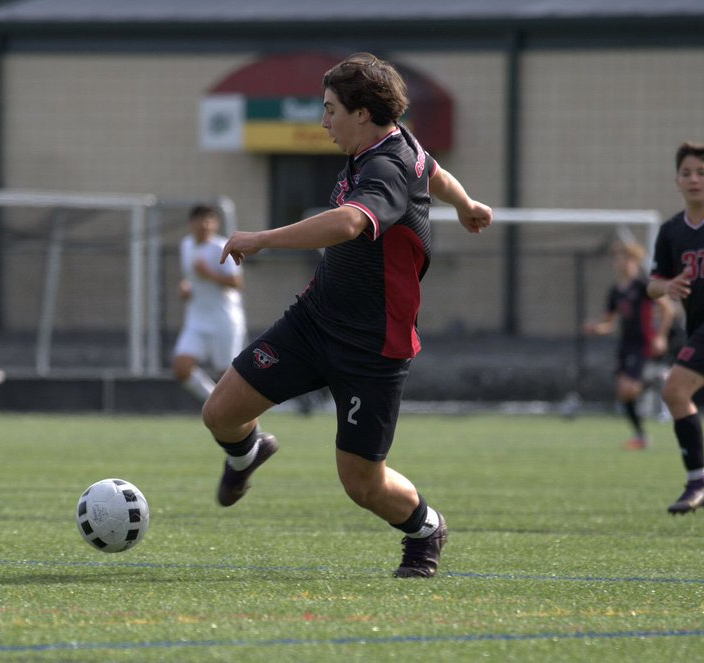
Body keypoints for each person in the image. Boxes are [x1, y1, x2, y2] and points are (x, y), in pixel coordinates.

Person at [203, 53, 492, 578]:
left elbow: (347, 224)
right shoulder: (394, 145)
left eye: (330, 109)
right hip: (315, 321)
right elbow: (435, 171)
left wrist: (262, 238)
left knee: (361, 483)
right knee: (220, 413)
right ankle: (247, 453)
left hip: (373, 347)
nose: (323, 122)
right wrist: (466, 203)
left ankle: (426, 529)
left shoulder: (386, 166)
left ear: (362, 113)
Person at [646, 141, 704, 515]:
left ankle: (697, 483)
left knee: (674, 389)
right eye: (686, 173)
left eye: (702, 172)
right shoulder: (672, 231)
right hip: (699, 328)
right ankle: (699, 483)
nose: (694, 179)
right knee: (676, 393)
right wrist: (667, 286)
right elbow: (652, 285)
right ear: (677, 181)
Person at [582, 240, 674, 450]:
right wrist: (596, 328)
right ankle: (640, 436)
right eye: (619, 259)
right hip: (625, 345)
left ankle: (656, 380)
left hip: (642, 343)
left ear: (636, 262)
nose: (622, 263)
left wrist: (660, 336)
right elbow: (608, 323)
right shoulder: (615, 291)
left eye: (627, 259)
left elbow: (667, 309)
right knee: (623, 393)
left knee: (628, 388)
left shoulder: (642, 285)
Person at [173, 204, 247, 402]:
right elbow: (190, 278)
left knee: (227, 377)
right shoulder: (186, 245)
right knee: (181, 367)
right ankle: (215, 403)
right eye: (200, 220)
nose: (205, 225)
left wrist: (209, 274)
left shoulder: (222, 247)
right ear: (191, 223)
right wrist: (186, 287)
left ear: (216, 224)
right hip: (196, 319)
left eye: (209, 220)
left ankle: (243, 416)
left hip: (224, 320)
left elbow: (236, 283)